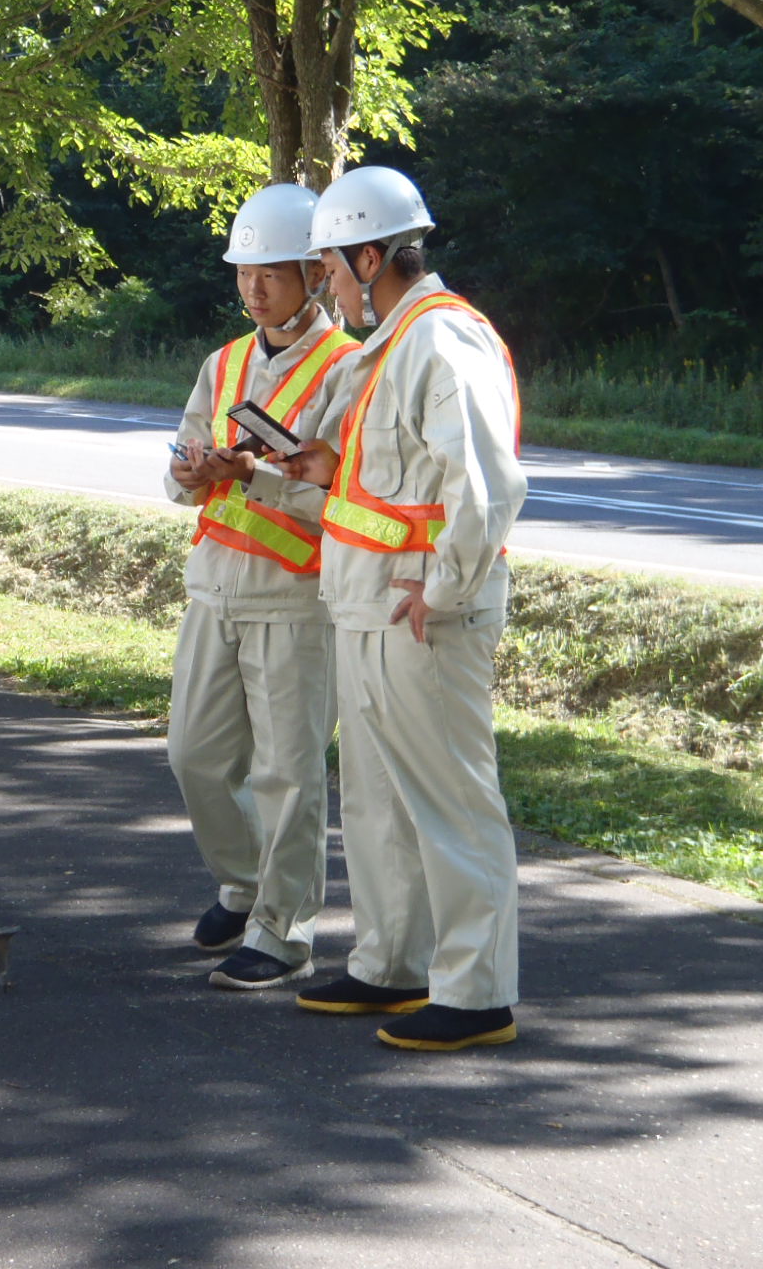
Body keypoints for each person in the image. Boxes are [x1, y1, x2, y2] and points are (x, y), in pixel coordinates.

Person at [276, 165, 527, 1051]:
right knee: (378, 803)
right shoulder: (392, 344)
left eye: (331, 268)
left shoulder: (442, 338)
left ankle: (477, 992)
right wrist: (325, 469)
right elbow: (395, 482)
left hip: (423, 612)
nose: (327, 287)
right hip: (369, 604)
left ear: (371, 256)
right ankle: (391, 965)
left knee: (453, 804)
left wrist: (446, 587)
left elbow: (486, 485)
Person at [165, 184, 359, 991]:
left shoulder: (347, 369)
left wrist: (256, 476)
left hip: (295, 597)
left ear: (313, 274)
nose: (253, 288)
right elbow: (178, 467)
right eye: (244, 272)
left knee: (287, 773)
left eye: (269, 273)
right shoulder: (224, 363)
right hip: (214, 587)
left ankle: (283, 931)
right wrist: (193, 472)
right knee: (194, 756)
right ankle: (242, 886)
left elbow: (341, 496)